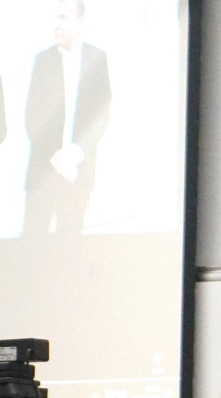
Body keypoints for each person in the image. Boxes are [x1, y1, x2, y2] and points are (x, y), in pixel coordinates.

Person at [23, 0, 112, 236]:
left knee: (70, 242)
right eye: (54, 18)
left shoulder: (97, 58)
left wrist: (74, 154)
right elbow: (32, 118)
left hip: (78, 172)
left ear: (80, 21)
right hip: (43, 171)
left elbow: (101, 116)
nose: (56, 24)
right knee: (32, 241)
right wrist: (58, 160)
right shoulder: (43, 61)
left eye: (62, 18)